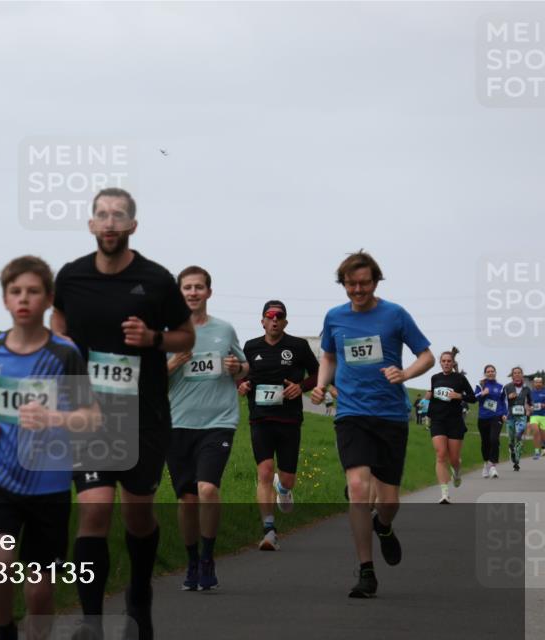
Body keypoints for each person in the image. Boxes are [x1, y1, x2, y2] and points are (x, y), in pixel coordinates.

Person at [51, 188, 194, 640]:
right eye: (102, 215)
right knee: (93, 511)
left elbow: (184, 335)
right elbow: (59, 323)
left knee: (136, 516)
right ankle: (90, 623)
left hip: (143, 416)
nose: (110, 223)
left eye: (119, 216)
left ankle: (139, 595)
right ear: (91, 224)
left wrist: (153, 337)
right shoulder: (71, 276)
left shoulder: (155, 280)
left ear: (133, 225)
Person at [0, 256, 100, 640]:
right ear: (5, 298)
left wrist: (54, 418)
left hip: (49, 484)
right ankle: (4, 630)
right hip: (0, 478)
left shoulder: (65, 354)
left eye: (32, 291)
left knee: (40, 588)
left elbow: (91, 416)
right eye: (15, 291)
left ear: (47, 299)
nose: (23, 299)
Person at [311, 250, 433, 598]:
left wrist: (405, 373)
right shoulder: (334, 317)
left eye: (364, 283)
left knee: (389, 501)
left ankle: (384, 525)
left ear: (375, 281)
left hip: (391, 415)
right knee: (359, 488)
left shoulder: (395, 314)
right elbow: (329, 355)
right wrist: (321, 385)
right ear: (344, 284)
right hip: (351, 414)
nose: (358, 290)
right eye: (351, 284)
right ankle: (366, 571)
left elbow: (426, 354)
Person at [166, 266, 247, 588]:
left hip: (219, 422)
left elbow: (244, 368)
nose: (193, 292)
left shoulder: (224, 330)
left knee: (208, 489)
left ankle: (209, 557)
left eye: (199, 287)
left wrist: (237, 367)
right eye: (187, 287)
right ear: (179, 293)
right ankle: (191, 562)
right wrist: (172, 363)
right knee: (186, 499)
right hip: (178, 423)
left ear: (208, 292)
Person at [237, 300, 318, 551]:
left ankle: (283, 488)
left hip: (289, 419)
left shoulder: (298, 346)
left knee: (288, 478)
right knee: (264, 471)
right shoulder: (251, 347)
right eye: (269, 316)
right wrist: (241, 385)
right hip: (260, 418)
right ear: (262, 321)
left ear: (285, 321)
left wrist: (301, 387)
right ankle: (269, 530)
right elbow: (240, 375)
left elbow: (318, 373)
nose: (274, 320)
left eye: (279, 316)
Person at [425, 348, 476, 504]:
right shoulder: (435, 378)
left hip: (454, 421)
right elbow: (433, 397)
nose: (446, 363)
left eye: (449, 361)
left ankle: (457, 471)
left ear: (453, 363)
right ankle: (445, 493)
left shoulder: (460, 379)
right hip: (438, 420)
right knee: (441, 455)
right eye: (444, 361)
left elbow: (473, 398)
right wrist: (428, 410)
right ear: (440, 363)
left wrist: (459, 396)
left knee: (453, 458)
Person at [474, 364, 507, 479]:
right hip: (483, 417)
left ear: (495, 373)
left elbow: (503, 401)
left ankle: (493, 466)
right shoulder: (480, 385)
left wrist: (504, 413)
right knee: (485, 442)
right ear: (485, 373)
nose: (490, 373)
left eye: (492, 371)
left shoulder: (501, 387)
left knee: (494, 439)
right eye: (488, 371)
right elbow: (474, 398)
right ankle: (485, 464)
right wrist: (482, 393)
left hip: (496, 416)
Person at [503, 367, 532, 471]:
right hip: (510, 415)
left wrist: (529, 409)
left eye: (519, 373)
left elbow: (530, 402)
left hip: (521, 416)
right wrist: (508, 398)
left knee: (519, 435)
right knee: (511, 439)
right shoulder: (507, 387)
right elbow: (502, 401)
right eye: (515, 373)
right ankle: (512, 449)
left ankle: (517, 461)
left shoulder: (526, 388)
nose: (517, 374)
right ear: (512, 375)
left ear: (522, 374)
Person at [529, 376, 545, 461]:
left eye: (540, 382)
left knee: (543, 436)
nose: (538, 384)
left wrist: (543, 405)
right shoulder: (531, 393)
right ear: (534, 383)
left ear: (542, 383)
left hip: (543, 416)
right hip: (534, 416)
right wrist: (529, 408)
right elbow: (527, 404)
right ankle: (536, 452)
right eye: (536, 382)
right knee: (535, 431)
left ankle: (543, 447)